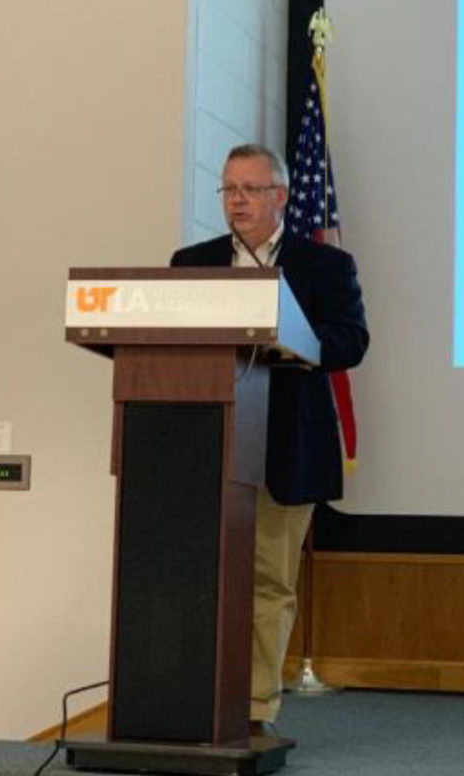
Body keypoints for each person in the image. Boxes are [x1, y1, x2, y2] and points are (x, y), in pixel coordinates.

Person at [171, 144, 369, 734]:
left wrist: (295, 339)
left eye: (251, 189)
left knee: (269, 580)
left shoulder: (325, 266)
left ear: (280, 196)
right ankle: (189, 700)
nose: (237, 200)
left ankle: (254, 709)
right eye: (229, 189)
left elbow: (352, 342)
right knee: (202, 576)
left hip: (290, 445)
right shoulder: (191, 262)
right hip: (211, 439)